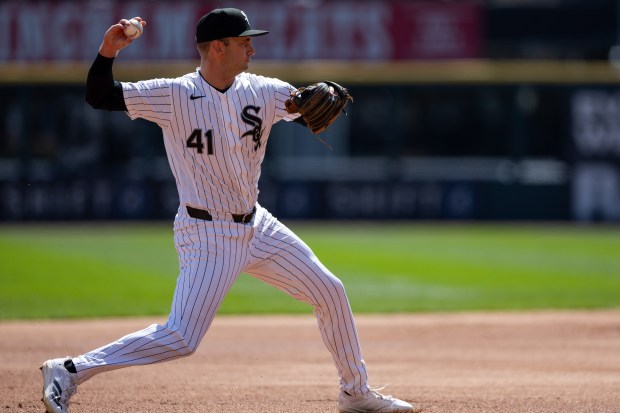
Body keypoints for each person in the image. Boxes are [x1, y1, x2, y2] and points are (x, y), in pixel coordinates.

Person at [40, 8, 414, 413]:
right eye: (244, 41)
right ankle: (69, 369)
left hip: (258, 226)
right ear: (218, 48)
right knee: (182, 337)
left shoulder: (262, 90)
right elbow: (100, 96)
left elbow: (307, 112)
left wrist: (318, 100)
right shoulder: (174, 94)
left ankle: (355, 393)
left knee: (330, 291)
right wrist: (107, 52)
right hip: (206, 233)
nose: (252, 48)